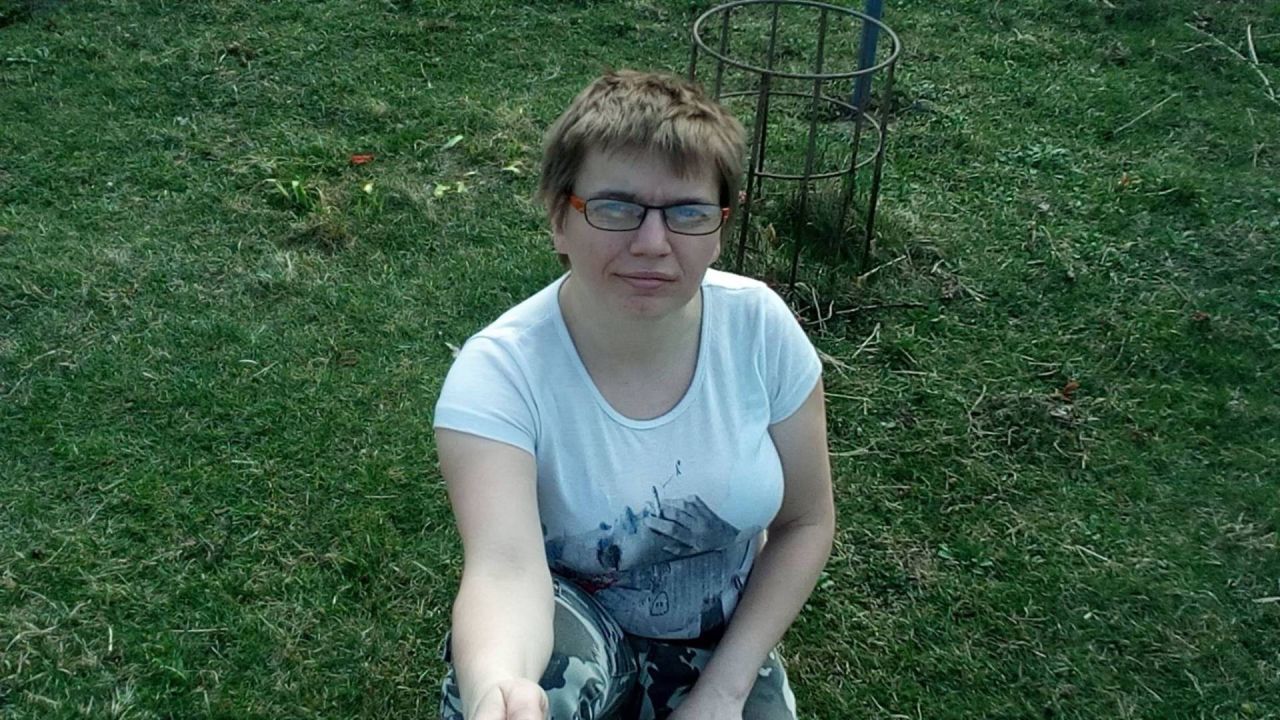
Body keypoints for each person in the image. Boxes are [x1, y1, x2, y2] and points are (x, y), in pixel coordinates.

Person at [432, 69, 834, 720]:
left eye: (687, 213)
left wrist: (724, 693)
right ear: (560, 220)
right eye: (616, 208)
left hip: (721, 643)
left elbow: (805, 523)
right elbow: (505, 568)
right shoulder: (499, 375)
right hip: (575, 632)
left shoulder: (760, 329)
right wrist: (498, 685)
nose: (652, 244)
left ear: (719, 229)